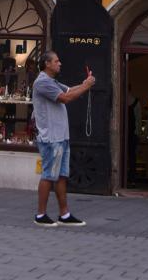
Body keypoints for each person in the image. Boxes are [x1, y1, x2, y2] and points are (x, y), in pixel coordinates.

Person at [31, 50, 96, 227]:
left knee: (60, 176)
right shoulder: (42, 82)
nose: (60, 63)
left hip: (60, 136)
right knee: (48, 175)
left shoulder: (51, 81)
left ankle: (64, 214)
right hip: (51, 137)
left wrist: (84, 84)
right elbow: (65, 98)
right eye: (56, 61)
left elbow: (69, 90)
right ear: (47, 64)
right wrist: (87, 86)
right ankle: (40, 214)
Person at [126, 88, 141, 183]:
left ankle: (123, 176)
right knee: (132, 156)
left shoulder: (121, 101)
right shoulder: (136, 102)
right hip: (133, 133)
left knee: (123, 156)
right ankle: (132, 178)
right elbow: (139, 120)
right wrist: (138, 134)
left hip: (123, 133)